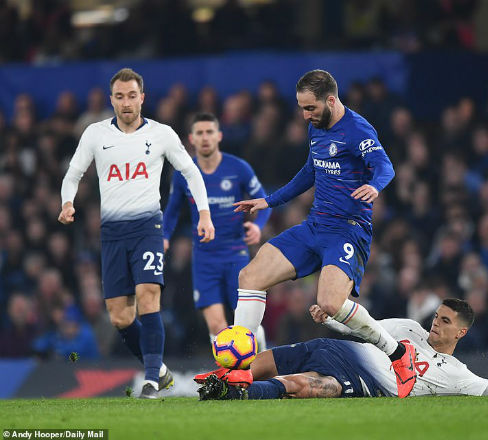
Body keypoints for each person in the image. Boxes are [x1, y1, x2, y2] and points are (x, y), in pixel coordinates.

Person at [231, 70, 417, 397]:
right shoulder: (316, 128)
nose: (306, 115)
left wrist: (374, 186)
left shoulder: (358, 130)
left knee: (330, 304)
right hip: (315, 225)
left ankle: (399, 352)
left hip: (347, 231)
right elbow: (309, 172)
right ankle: (238, 367)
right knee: (250, 276)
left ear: (330, 100)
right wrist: (268, 201)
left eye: (311, 108)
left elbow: (385, 166)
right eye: (302, 109)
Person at [58, 68, 215, 399]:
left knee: (148, 296)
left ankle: (150, 384)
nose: (126, 102)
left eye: (132, 96)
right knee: (119, 316)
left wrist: (203, 213)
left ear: (142, 98)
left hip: (148, 227)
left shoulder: (161, 134)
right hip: (112, 232)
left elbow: (191, 172)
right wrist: (67, 202)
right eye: (120, 96)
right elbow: (73, 173)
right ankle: (159, 370)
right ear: (111, 99)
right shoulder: (95, 134)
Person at [194, 299, 488, 400]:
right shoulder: (408, 328)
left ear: (461, 333)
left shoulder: (456, 372)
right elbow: (368, 326)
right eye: (438, 315)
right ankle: (224, 378)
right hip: (333, 346)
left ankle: (235, 392)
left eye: (446, 321)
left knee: (303, 384)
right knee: (273, 357)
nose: (436, 322)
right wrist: (332, 315)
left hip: (362, 379)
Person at [163, 112, 271, 344]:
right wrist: (164, 237)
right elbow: (171, 210)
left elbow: (265, 202)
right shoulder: (184, 173)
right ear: (191, 139)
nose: (205, 138)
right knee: (216, 326)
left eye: (209, 132)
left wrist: (258, 225)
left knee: (245, 326)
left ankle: (260, 360)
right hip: (204, 257)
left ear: (219, 136)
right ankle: (232, 379)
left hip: (236, 254)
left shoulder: (238, 168)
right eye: (199, 133)